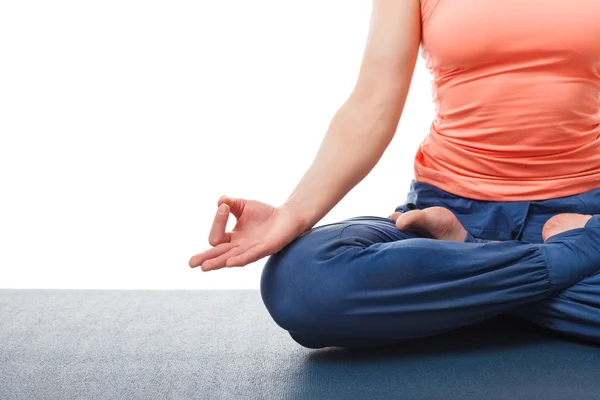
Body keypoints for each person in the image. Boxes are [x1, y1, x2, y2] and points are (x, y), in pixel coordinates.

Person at [189, 0, 600, 348]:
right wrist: (293, 212)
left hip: (583, 214)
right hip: (441, 216)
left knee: (355, 295)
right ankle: (567, 256)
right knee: (300, 285)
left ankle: (470, 270)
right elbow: (372, 104)